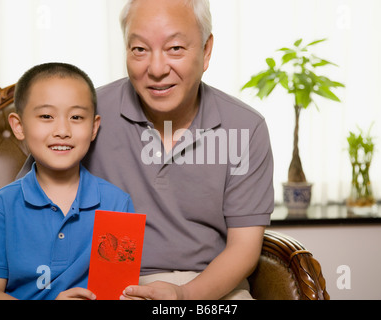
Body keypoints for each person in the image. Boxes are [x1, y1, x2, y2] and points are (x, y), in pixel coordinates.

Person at [20, 0, 274, 300]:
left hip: (207, 287)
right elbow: (25, 214)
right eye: (139, 49)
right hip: (100, 282)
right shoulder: (84, 116)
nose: (156, 69)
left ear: (206, 51)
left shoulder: (246, 127)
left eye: (175, 48)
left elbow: (244, 248)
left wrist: (184, 296)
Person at [0, 62, 134, 300]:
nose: (62, 130)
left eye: (76, 117)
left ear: (93, 127)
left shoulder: (117, 203)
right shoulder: (1, 207)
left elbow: (116, 291)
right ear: (19, 126)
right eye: (46, 116)